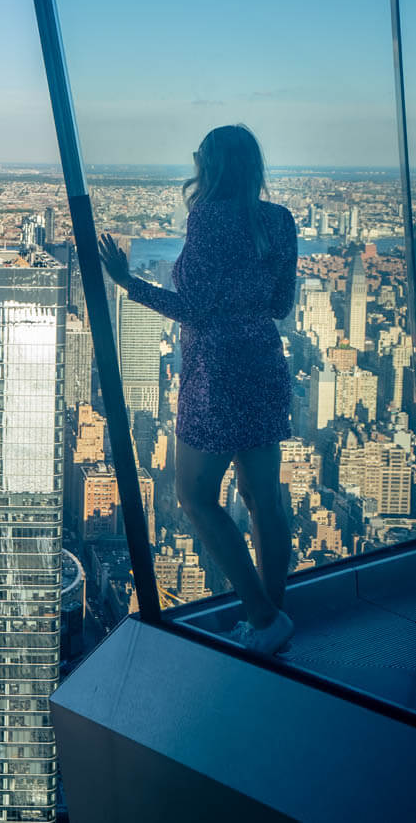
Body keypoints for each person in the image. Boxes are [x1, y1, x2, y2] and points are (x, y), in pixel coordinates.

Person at [98, 124, 297, 655]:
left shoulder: (208, 218)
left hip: (218, 369)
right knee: (262, 500)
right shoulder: (280, 220)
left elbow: (194, 309)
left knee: (193, 496)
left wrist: (127, 283)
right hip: (263, 359)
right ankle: (271, 622)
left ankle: (260, 615)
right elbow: (280, 305)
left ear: (210, 168)